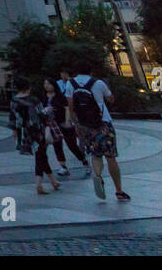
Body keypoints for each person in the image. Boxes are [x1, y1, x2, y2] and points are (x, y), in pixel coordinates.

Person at [66, 64, 130, 202]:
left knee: (95, 154)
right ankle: (119, 190)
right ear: (91, 70)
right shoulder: (98, 83)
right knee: (111, 156)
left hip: (86, 125)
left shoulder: (70, 84)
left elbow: (70, 106)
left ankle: (98, 175)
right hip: (103, 123)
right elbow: (111, 98)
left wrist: (76, 124)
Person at [11, 78, 60, 194]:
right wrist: (47, 110)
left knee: (41, 155)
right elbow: (41, 114)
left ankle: (53, 181)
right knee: (40, 156)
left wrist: (15, 131)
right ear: (28, 87)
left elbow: (13, 117)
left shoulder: (14, 101)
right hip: (37, 130)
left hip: (25, 131)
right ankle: (39, 184)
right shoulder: (33, 100)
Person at [42, 78, 83, 177]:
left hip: (62, 122)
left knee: (71, 145)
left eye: (48, 83)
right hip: (52, 124)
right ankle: (63, 167)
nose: (46, 86)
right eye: (45, 84)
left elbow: (67, 108)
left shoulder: (60, 96)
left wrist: (67, 120)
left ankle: (84, 161)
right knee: (57, 145)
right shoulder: (43, 97)